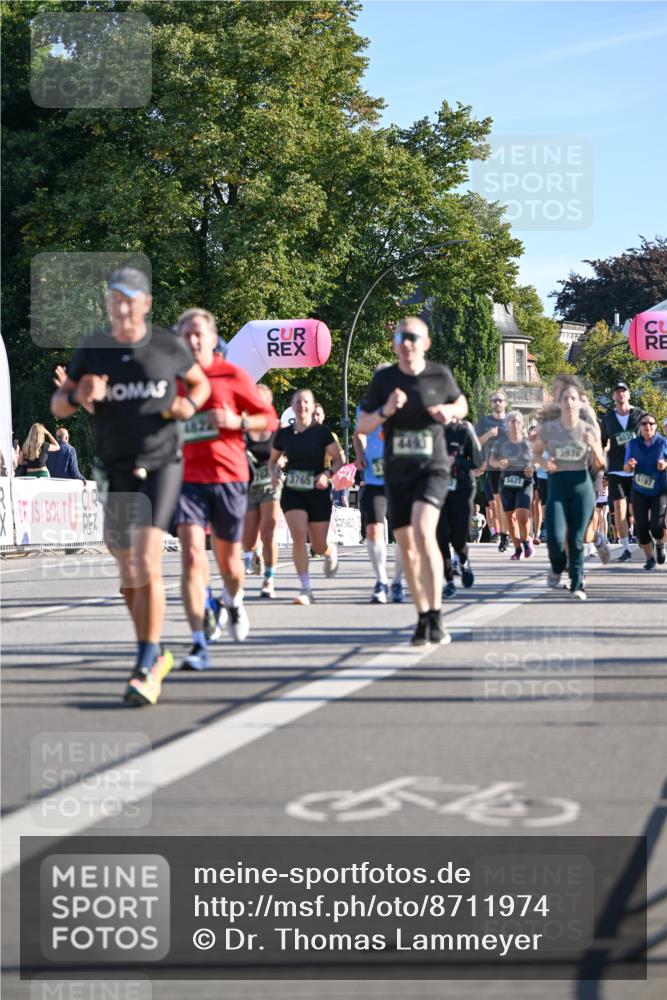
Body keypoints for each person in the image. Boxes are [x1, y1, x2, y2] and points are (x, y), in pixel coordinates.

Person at [51, 267, 210, 705]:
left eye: (127, 300)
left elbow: (198, 381)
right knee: (127, 570)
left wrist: (187, 404)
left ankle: (145, 662)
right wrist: (80, 394)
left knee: (146, 559)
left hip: (161, 463)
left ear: (145, 304)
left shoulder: (166, 344)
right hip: (115, 467)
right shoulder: (93, 348)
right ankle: (155, 651)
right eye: (112, 300)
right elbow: (58, 405)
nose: (119, 308)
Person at [173, 309, 278, 670]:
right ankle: (199, 639)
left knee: (231, 565)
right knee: (189, 555)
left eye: (198, 333)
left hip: (229, 478)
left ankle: (231, 601)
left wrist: (238, 421)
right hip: (188, 480)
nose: (192, 340)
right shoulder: (175, 380)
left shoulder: (232, 375)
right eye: (186, 334)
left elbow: (270, 419)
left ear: (212, 337)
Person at [357, 316, 468, 645]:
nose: (406, 343)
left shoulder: (439, 374)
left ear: (425, 343)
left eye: (412, 337)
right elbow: (362, 424)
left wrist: (450, 413)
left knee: (423, 531)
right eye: (400, 337)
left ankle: (437, 615)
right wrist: (386, 411)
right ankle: (423, 617)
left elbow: (461, 402)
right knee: (407, 547)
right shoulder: (384, 379)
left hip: (432, 468)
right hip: (397, 472)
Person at [533, 376, 605, 599]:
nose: (570, 402)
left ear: (579, 402)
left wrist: (593, 446)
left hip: (581, 485)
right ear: (560, 402)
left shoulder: (588, 430)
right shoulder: (550, 428)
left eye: (574, 398)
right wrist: (546, 463)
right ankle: (557, 566)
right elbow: (535, 453)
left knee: (575, 538)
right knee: (554, 538)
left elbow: (600, 463)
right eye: (566, 398)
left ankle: (576, 584)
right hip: (558, 485)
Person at [269, 388, 344, 605]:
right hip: (292, 490)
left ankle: (330, 550)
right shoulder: (284, 434)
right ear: (292, 407)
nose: (302, 406)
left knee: (318, 545)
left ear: (312, 407)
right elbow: (273, 461)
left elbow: (339, 460)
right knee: (299, 537)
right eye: (298, 402)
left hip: (318, 490)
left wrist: (327, 474)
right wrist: (274, 472)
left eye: (306, 402)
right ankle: (305, 588)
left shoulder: (322, 433)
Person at [353, 397, 405, 604]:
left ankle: (398, 581)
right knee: (373, 529)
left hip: (400, 480)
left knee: (402, 532)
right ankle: (381, 580)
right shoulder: (364, 407)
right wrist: (359, 454)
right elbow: (358, 434)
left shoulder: (404, 406)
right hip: (374, 479)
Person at [242, 383, 282, 600]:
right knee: (247, 540)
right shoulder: (243, 428)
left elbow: (285, 453)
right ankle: (255, 553)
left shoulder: (276, 428)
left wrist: (280, 463)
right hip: (248, 487)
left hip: (270, 483)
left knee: (268, 532)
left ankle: (269, 579)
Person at [437, 417, 482, 597]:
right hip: (437, 487)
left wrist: (456, 462)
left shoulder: (463, 429)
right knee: (440, 536)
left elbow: (478, 460)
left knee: (458, 537)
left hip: (462, 486)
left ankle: (462, 560)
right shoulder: (429, 427)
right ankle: (448, 580)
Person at [600, 382, 644, 562]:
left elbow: (650, 437)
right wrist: (602, 472)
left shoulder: (639, 415)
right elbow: (602, 444)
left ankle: (643, 536)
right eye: (617, 392)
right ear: (613, 397)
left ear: (629, 395)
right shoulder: (608, 419)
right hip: (616, 470)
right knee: (619, 508)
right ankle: (625, 546)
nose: (620, 395)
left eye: (623, 391)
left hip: (637, 469)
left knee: (638, 509)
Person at [623, 414, 667, 570]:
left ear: (655, 426)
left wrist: (664, 464)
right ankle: (650, 558)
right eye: (644, 423)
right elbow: (626, 467)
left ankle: (660, 544)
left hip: (659, 489)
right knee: (641, 527)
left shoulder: (663, 443)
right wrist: (629, 465)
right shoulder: (633, 444)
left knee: (656, 525)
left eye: (651, 423)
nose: (647, 426)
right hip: (640, 489)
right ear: (640, 427)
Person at [489, 410, 535, 560]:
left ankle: (526, 540)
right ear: (508, 424)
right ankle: (517, 549)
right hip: (507, 482)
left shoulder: (528, 442)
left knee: (522, 515)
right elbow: (491, 461)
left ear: (522, 424)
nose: (515, 424)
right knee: (510, 518)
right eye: (512, 421)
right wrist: (498, 463)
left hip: (525, 482)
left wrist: (532, 468)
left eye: (517, 421)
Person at [475, 389, 510, 551]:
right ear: (491, 403)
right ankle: (503, 535)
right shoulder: (484, 422)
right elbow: (477, 443)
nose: (497, 403)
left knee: (507, 504)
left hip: (510, 468)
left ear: (505, 403)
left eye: (500, 400)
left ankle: (509, 534)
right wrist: (488, 435)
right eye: (494, 400)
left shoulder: (512, 421)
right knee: (496, 504)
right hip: (492, 469)